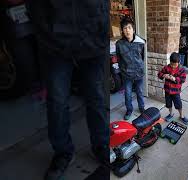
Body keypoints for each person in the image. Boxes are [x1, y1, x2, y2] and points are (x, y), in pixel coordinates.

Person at [27, 1, 109, 179]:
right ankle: (63, 152)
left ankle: (102, 145)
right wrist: (47, 33)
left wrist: (101, 26)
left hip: (93, 38)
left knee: (97, 98)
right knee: (57, 102)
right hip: (54, 42)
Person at [116, 17, 146, 120]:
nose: (127, 30)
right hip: (127, 74)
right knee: (128, 94)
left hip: (138, 73)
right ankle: (129, 110)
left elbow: (143, 57)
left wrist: (140, 67)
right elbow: (119, 59)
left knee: (140, 92)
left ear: (133, 29)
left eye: (129, 28)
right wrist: (123, 70)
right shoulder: (119, 44)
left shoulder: (141, 42)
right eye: (125, 28)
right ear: (122, 31)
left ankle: (142, 108)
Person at [158, 52, 188, 125]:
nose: (173, 66)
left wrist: (175, 79)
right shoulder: (166, 67)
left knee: (178, 104)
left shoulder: (181, 69)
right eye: (171, 64)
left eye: (175, 65)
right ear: (170, 62)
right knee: (168, 104)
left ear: (179, 62)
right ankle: (171, 114)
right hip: (167, 90)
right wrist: (164, 75)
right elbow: (159, 74)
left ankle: (181, 115)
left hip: (176, 92)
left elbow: (183, 79)